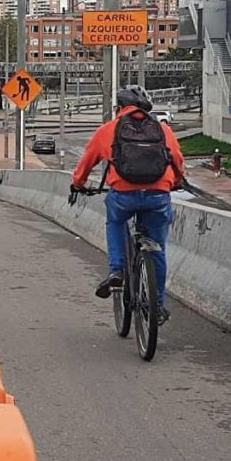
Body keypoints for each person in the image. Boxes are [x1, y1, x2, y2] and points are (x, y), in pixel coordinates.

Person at [70, 85, 185, 324]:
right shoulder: (163, 130)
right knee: (157, 249)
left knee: (115, 220)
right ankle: (158, 306)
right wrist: (176, 182)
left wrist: (78, 184)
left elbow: (87, 162)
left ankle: (117, 270)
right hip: (157, 194)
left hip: (123, 193)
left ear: (120, 108)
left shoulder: (108, 130)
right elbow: (177, 160)